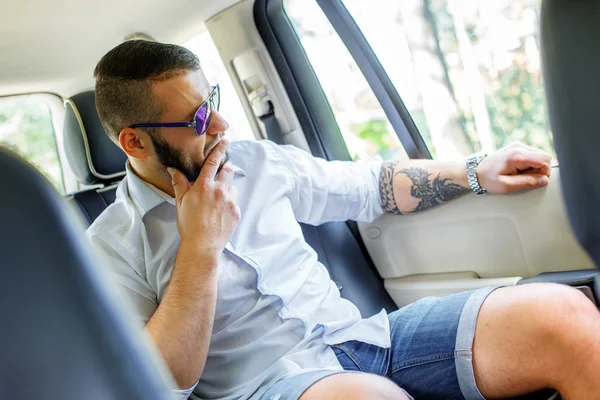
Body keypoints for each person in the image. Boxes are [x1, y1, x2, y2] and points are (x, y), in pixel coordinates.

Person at [87, 40, 600, 400]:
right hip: (271, 386)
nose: (221, 123)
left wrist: (474, 171)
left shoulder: (259, 161)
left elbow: (370, 186)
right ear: (134, 141)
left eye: (213, 101)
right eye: (198, 119)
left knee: (563, 315)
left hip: (368, 339)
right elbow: (163, 381)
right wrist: (201, 247)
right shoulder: (108, 248)